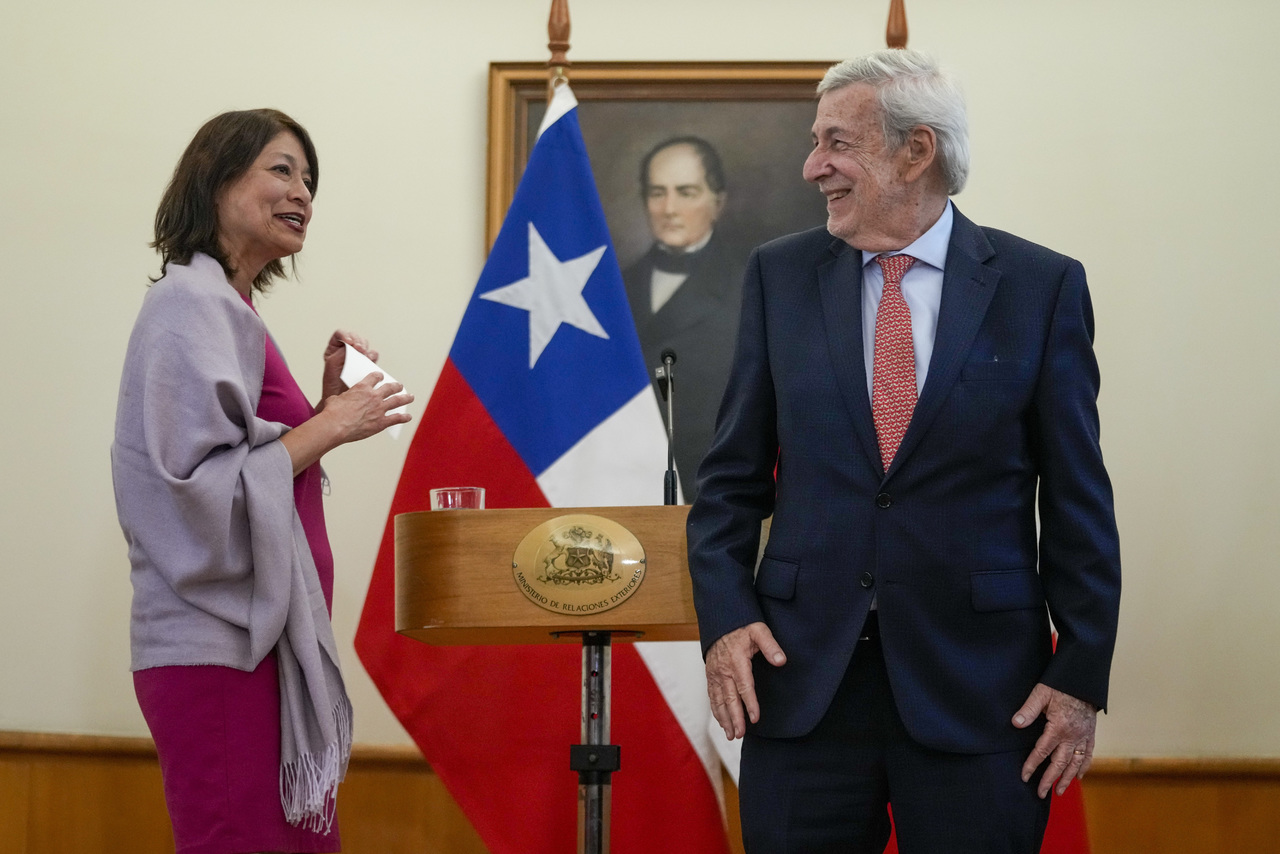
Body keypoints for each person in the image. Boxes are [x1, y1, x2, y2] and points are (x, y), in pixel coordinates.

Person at [687, 50, 1121, 853]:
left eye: (837, 143)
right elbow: (729, 486)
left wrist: (1080, 674)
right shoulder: (779, 277)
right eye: (817, 142)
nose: (814, 166)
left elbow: (1077, 501)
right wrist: (725, 619)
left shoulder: (1040, 287)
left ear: (916, 150)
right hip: (802, 686)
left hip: (982, 694)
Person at [111, 109, 412, 852]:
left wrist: (322, 407)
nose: (303, 192)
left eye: (310, 180)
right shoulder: (189, 303)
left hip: (257, 649)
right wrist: (332, 423)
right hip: (218, 653)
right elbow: (194, 493)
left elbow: (257, 463)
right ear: (216, 180)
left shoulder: (230, 308)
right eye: (282, 170)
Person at [622, 136, 745, 502]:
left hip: (711, 490)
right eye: (657, 193)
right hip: (622, 483)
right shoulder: (613, 289)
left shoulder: (749, 290)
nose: (669, 209)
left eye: (686, 192)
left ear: (717, 202)